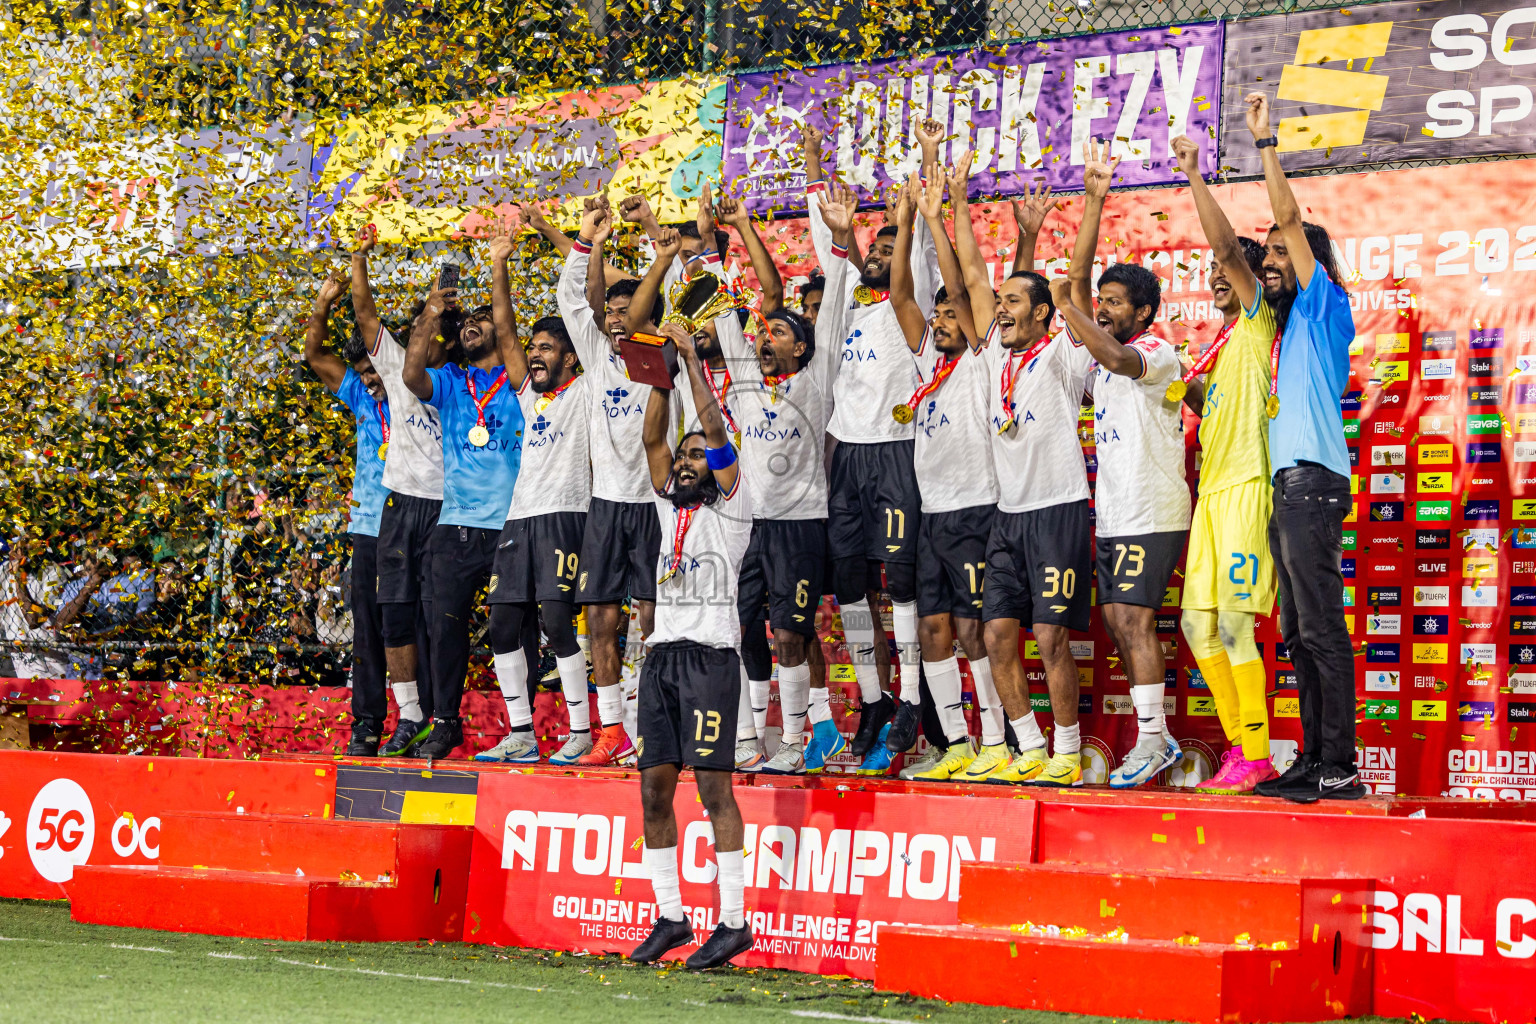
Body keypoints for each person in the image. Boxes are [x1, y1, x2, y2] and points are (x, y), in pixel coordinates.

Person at [802, 119, 942, 773]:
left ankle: (912, 697)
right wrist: (813, 160)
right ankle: (874, 698)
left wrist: (925, 166)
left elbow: (920, 248)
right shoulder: (850, 306)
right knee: (852, 591)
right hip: (847, 456)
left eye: (892, 247)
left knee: (902, 584)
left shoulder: (913, 305)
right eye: (876, 249)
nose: (882, 255)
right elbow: (828, 241)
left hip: (897, 449)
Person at [1050, 139, 1191, 789]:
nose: (1102, 310)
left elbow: (1107, 349)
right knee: (1116, 621)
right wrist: (1094, 202)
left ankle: (1154, 740)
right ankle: (1153, 737)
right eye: (1100, 302)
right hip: (1114, 514)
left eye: (1114, 303)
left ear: (1143, 312)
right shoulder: (1101, 358)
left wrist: (1070, 309)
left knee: (1132, 621)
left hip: (1152, 511)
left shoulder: (1156, 353)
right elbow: (1079, 293)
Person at [696, 187, 848, 776]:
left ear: (802, 347)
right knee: (736, 630)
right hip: (746, 527)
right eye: (762, 334)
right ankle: (746, 737)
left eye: (778, 333)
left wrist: (840, 239)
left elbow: (834, 306)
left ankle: (796, 739)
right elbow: (721, 314)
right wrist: (713, 243)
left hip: (799, 527)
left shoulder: (817, 378)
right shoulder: (744, 383)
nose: (764, 339)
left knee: (789, 636)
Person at [951, 160, 1093, 786]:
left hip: (1058, 509)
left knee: (1050, 637)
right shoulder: (992, 358)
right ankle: (1028, 745)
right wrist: (956, 198)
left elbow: (1074, 285)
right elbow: (973, 278)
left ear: (1041, 315)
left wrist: (1091, 202)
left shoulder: (1063, 354)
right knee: (996, 635)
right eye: (1000, 302)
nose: (1000, 309)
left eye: (1013, 303)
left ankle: (1068, 751)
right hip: (1007, 517)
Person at [1243, 93, 1363, 802]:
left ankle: (1340, 763)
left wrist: (1265, 144)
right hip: (1287, 487)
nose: (1270, 258)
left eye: (1282, 251)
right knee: (1296, 633)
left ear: (1311, 261)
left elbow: (1290, 218)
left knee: (1320, 628)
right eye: (1267, 252)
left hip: (1313, 483)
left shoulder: (1324, 306)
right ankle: (1313, 759)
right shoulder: (1283, 325)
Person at [629, 322, 755, 970]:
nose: (684, 463)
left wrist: (691, 363)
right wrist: (660, 373)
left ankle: (733, 923)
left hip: (710, 659)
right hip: (661, 661)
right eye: (683, 458)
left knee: (712, 789)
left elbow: (716, 434)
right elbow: (653, 439)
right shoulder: (666, 509)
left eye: (696, 457)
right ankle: (672, 916)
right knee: (654, 790)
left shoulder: (732, 508)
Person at [1169, 134, 1282, 794]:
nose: (1217, 274)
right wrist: (1176, 385)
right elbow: (1213, 405)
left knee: (1236, 625)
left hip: (1246, 489)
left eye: (1228, 267)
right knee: (1195, 625)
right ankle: (1243, 747)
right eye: (1212, 270)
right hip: (1210, 496)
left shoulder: (1258, 319)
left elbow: (1228, 252)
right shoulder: (1221, 342)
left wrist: (1193, 176)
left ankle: (1256, 753)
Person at [886, 172, 999, 781]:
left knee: (975, 630)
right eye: (939, 316)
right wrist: (905, 222)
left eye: (951, 314)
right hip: (930, 514)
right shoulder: (926, 361)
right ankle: (955, 741)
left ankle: (997, 739)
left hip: (977, 508)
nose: (941, 320)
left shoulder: (982, 358)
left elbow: (961, 284)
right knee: (933, 627)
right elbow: (901, 293)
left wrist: (939, 213)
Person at [403, 229, 527, 760]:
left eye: (483, 319)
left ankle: (522, 728)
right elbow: (411, 373)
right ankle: (446, 722)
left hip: (509, 525)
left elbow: (507, 326)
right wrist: (433, 311)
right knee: (444, 630)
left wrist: (498, 267)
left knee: (512, 627)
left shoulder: (521, 378)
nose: (471, 325)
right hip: (454, 527)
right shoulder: (452, 380)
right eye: (466, 322)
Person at [559, 199, 661, 766]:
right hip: (605, 506)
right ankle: (613, 729)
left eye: (628, 309)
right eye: (613, 311)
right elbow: (572, 298)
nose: (617, 318)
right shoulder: (597, 355)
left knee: (653, 618)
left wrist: (653, 239)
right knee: (599, 617)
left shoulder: (664, 357)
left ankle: (652, 725)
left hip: (653, 506)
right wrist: (589, 243)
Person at [474, 310, 592, 765]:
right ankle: (521, 734)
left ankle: (581, 733)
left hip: (565, 515)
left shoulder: (584, 390)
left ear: (570, 356)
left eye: (546, 347)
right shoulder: (529, 397)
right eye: (533, 347)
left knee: (558, 625)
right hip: (518, 517)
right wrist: (499, 272)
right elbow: (505, 332)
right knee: (502, 626)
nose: (535, 355)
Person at [351, 223, 447, 757]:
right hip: (399, 505)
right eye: (417, 329)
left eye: (431, 331)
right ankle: (408, 715)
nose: (422, 338)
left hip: (448, 509)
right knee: (393, 616)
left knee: (437, 619)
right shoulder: (391, 363)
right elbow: (365, 311)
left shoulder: (461, 376)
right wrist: (359, 257)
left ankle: (441, 716)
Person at [303, 274, 391, 755]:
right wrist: (323, 302)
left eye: (376, 369)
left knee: (418, 626)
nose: (371, 380)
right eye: (364, 372)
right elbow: (314, 355)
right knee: (368, 631)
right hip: (369, 526)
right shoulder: (359, 394)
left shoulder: (421, 389)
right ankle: (367, 724)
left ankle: (425, 719)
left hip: (420, 520)